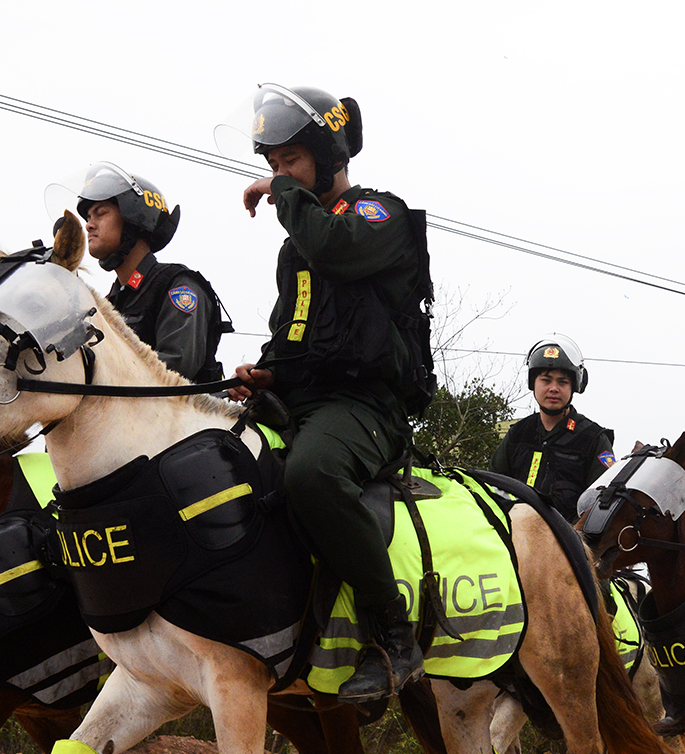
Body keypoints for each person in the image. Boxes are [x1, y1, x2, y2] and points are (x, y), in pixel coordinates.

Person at [221, 84, 435, 703]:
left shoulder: (380, 216)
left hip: (368, 407)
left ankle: (394, 635)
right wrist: (263, 372)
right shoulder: (298, 248)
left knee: (311, 475)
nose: (276, 174)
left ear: (328, 152)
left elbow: (336, 249)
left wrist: (281, 194)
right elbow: (292, 330)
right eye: (271, 165)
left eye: (290, 161)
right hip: (304, 401)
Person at [56, 161, 230, 382]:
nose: (89, 225)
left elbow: (173, 371)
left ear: (134, 221)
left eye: (100, 213)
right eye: (88, 218)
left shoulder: (177, 286)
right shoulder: (108, 303)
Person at [489, 335, 614, 522]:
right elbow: (491, 485)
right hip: (514, 537)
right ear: (533, 384)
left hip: (568, 544)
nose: (553, 388)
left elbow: (604, 503)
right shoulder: (519, 433)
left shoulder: (592, 438)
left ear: (574, 386)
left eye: (562, 382)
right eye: (546, 381)